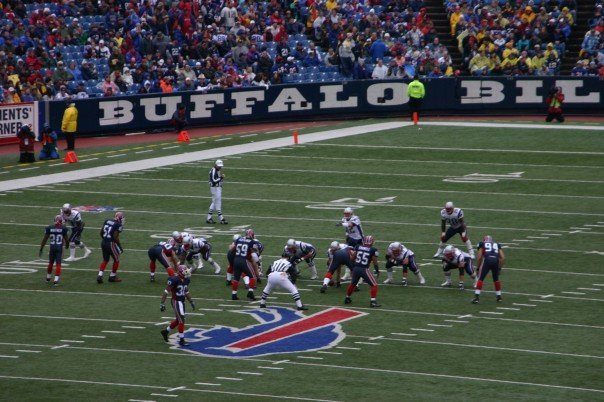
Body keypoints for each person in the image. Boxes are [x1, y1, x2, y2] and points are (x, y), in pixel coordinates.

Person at [160, 265, 196, 347]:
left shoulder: (186, 279)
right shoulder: (174, 279)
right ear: (180, 272)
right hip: (176, 301)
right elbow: (166, 291)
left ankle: (165, 332)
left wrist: (191, 301)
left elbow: (186, 291)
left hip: (181, 302)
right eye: (185, 270)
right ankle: (181, 340)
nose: (187, 272)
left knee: (178, 320)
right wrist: (162, 303)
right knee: (181, 320)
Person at [345, 235, 380, 308]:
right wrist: (377, 270)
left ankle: (347, 298)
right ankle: (373, 302)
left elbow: (352, 258)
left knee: (353, 284)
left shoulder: (358, 247)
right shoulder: (373, 250)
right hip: (364, 269)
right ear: (372, 242)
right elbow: (375, 262)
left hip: (356, 268)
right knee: (374, 285)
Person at [472, 235, 505, 304]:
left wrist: (478, 268)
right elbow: (503, 258)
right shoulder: (497, 244)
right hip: (496, 260)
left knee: (480, 278)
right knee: (496, 279)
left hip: (487, 259)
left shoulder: (482, 244)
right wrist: (499, 268)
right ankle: (499, 296)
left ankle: (476, 297)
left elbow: (479, 257)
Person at [230, 229, 260, 301]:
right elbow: (254, 253)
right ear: (252, 235)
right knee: (253, 277)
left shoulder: (239, 239)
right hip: (244, 261)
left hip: (236, 260)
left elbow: (232, 250)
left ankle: (234, 294)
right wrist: (258, 262)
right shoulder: (252, 242)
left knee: (236, 279)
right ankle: (250, 293)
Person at [39, 215, 68, 286]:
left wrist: (41, 248)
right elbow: (66, 239)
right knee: (58, 263)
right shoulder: (63, 228)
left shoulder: (49, 228)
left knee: (51, 263)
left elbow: (44, 239)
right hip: (59, 247)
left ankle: (48, 277)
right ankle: (56, 280)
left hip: (52, 247)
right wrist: (67, 245)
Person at [97, 212, 125, 284]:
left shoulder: (107, 220)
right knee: (116, 260)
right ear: (120, 218)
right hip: (111, 243)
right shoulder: (118, 225)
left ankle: (100, 275)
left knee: (105, 260)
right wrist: (119, 245)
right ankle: (112, 276)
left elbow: (101, 232)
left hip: (103, 242)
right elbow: (115, 236)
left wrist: (105, 239)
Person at [207, 159, 228, 224]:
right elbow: (213, 181)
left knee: (216, 202)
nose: (220, 167)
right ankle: (219, 218)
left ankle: (212, 218)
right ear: (216, 165)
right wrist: (221, 178)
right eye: (219, 166)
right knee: (216, 202)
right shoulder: (213, 171)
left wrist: (220, 182)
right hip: (214, 188)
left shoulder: (217, 170)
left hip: (217, 187)